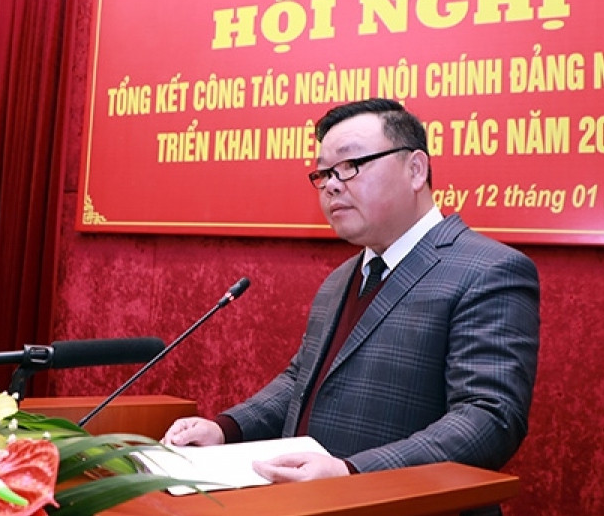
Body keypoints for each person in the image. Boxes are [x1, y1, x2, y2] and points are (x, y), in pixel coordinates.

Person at [162, 98, 540, 514]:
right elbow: (301, 380)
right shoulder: (342, 278)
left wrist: (353, 472)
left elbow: (489, 418)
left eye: (351, 165)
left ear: (416, 170)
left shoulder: (488, 270)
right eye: (324, 173)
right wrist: (226, 429)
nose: (332, 185)